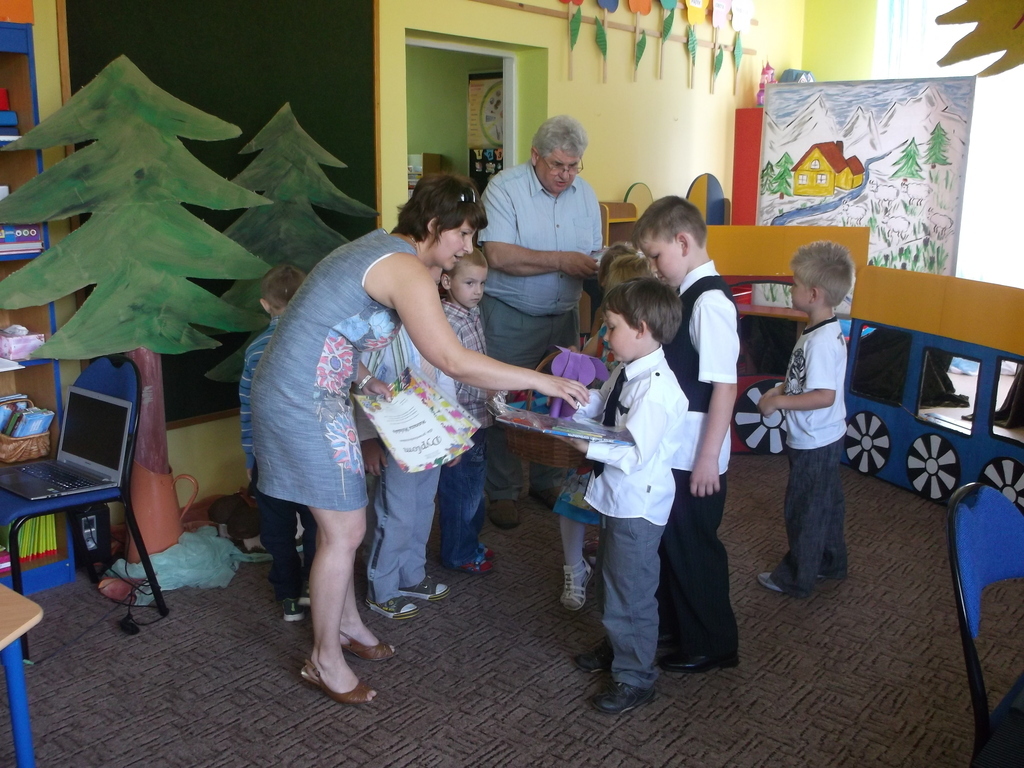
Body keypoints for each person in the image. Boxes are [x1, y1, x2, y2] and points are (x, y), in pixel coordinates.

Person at [250, 174, 590, 706]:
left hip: (314, 390)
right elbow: (451, 359)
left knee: (340, 526)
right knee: (345, 529)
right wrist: (539, 380)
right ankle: (324, 659)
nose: (467, 247)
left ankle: (346, 624)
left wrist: (363, 377)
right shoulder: (403, 267)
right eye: (462, 234)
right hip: (301, 397)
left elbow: (328, 324)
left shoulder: (384, 250)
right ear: (433, 226)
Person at [563, 277, 687, 714]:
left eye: (611, 327)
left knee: (630, 592)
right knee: (612, 580)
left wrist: (586, 446)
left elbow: (634, 453)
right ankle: (618, 647)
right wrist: (574, 402)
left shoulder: (656, 389)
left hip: (637, 505)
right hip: (616, 498)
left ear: (641, 328)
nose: (604, 334)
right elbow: (604, 404)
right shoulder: (627, 368)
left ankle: (635, 676)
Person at [478, 114, 604, 530]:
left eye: (573, 166)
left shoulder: (585, 194)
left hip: (564, 319)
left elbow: (594, 253)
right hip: (509, 316)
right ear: (535, 156)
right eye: (557, 165)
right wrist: (562, 261)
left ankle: (547, 481)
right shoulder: (504, 188)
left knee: (560, 405)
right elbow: (498, 255)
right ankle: (503, 491)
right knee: (504, 405)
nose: (566, 175)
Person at [632, 196, 740, 675]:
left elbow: (725, 386)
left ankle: (713, 642)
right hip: (678, 449)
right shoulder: (688, 294)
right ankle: (681, 627)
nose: (654, 268)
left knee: (695, 548)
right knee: (673, 544)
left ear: (682, 242)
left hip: (696, 453)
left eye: (656, 256)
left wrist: (707, 458)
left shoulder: (710, 303)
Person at [554, 245, 653, 611]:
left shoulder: (651, 367)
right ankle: (574, 567)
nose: (609, 329)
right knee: (572, 503)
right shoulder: (604, 332)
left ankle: (606, 566)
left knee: (616, 513)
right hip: (595, 428)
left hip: (618, 442)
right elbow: (589, 359)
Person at [756, 241, 855, 598]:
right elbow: (806, 379)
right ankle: (831, 561)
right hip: (821, 437)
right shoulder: (819, 330)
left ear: (813, 294)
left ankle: (796, 578)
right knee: (826, 502)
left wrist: (777, 402)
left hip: (815, 440)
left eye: (795, 283)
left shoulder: (821, 341)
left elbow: (824, 395)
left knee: (804, 510)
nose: (790, 287)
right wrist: (781, 388)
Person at [239, 264, 318, 622]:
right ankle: (316, 588)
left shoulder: (256, 349)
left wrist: (250, 456)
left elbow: (247, 407)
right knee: (318, 526)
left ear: (264, 304)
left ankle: (288, 595)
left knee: (277, 530)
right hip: (311, 455)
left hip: (270, 458)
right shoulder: (318, 345)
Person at [359, 326, 450, 619]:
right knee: (396, 515)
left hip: (431, 434)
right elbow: (361, 387)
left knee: (423, 507)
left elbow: (447, 377)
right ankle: (382, 590)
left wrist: (452, 434)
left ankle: (411, 575)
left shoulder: (436, 327)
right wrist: (367, 440)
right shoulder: (380, 333)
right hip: (396, 439)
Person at [436, 250, 495, 573]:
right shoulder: (448, 321)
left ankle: (468, 544)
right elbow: (455, 376)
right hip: (462, 423)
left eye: (482, 283)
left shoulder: (471, 312)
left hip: (479, 416)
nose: (478, 291)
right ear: (447, 282)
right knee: (461, 494)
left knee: (473, 488)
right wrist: (490, 389)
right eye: (470, 283)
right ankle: (459, 553)